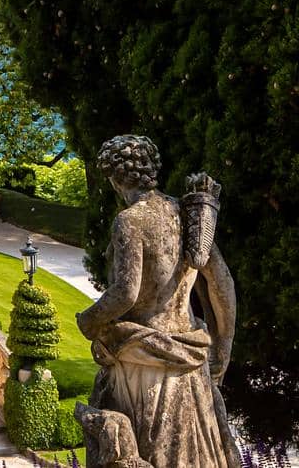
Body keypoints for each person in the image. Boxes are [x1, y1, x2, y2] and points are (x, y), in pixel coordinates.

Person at [75, 134, 240, 468]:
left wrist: (88, 320)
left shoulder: (130, 220)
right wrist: (223, 346)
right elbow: (222, 282)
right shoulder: (189, 216)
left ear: (114, 177)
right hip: (190, 361)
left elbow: (126, 293)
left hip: (144, 368)